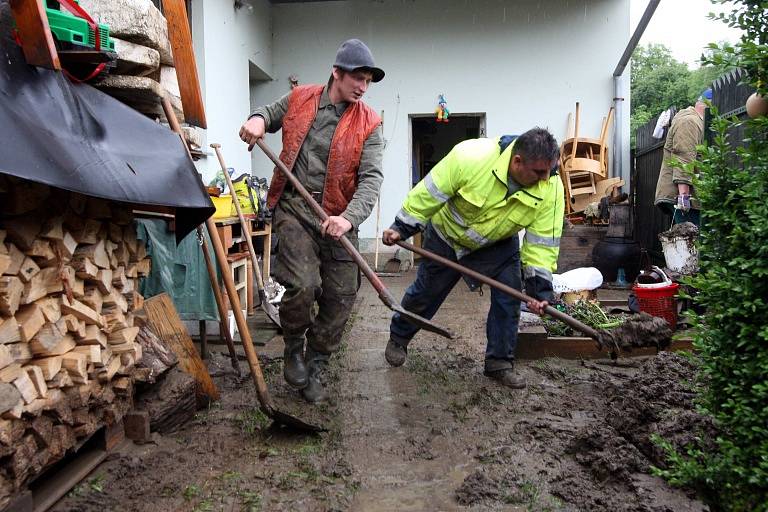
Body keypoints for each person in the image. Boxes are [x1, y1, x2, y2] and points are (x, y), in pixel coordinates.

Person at [238, 39, 385, 403]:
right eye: (358, 78)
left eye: (368, 81)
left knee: (340, 298)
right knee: (303, 284)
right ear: (337, 72)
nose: (362, 87)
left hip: (339, 220)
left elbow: (371, 179)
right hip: (295, 212)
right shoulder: (301, 99)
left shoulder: (370, 123)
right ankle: (292, 346)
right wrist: (256, 120)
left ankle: (317, 361)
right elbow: (268, 114)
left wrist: (348, 219)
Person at [382, 128, 564, 389]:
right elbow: (428, 194)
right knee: (426, 293)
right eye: (538, 172)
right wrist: (402, 227)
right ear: (517, 161)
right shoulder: (472, 156)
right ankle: (399, 337)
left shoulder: (551, 187)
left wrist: (538, 291)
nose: (545, 178)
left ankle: (499, 363)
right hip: (447, 238)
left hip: (497, 245)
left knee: (509, 298)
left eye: (549, 171)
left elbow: (542, 243)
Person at [654, 89, 711, 226]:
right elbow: (683, 158)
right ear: (709, 106)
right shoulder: (690, 122)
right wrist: (684, 198)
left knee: (687, 242)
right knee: (690, 242)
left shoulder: (694, 121)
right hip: (683, 197)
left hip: (684, 195)